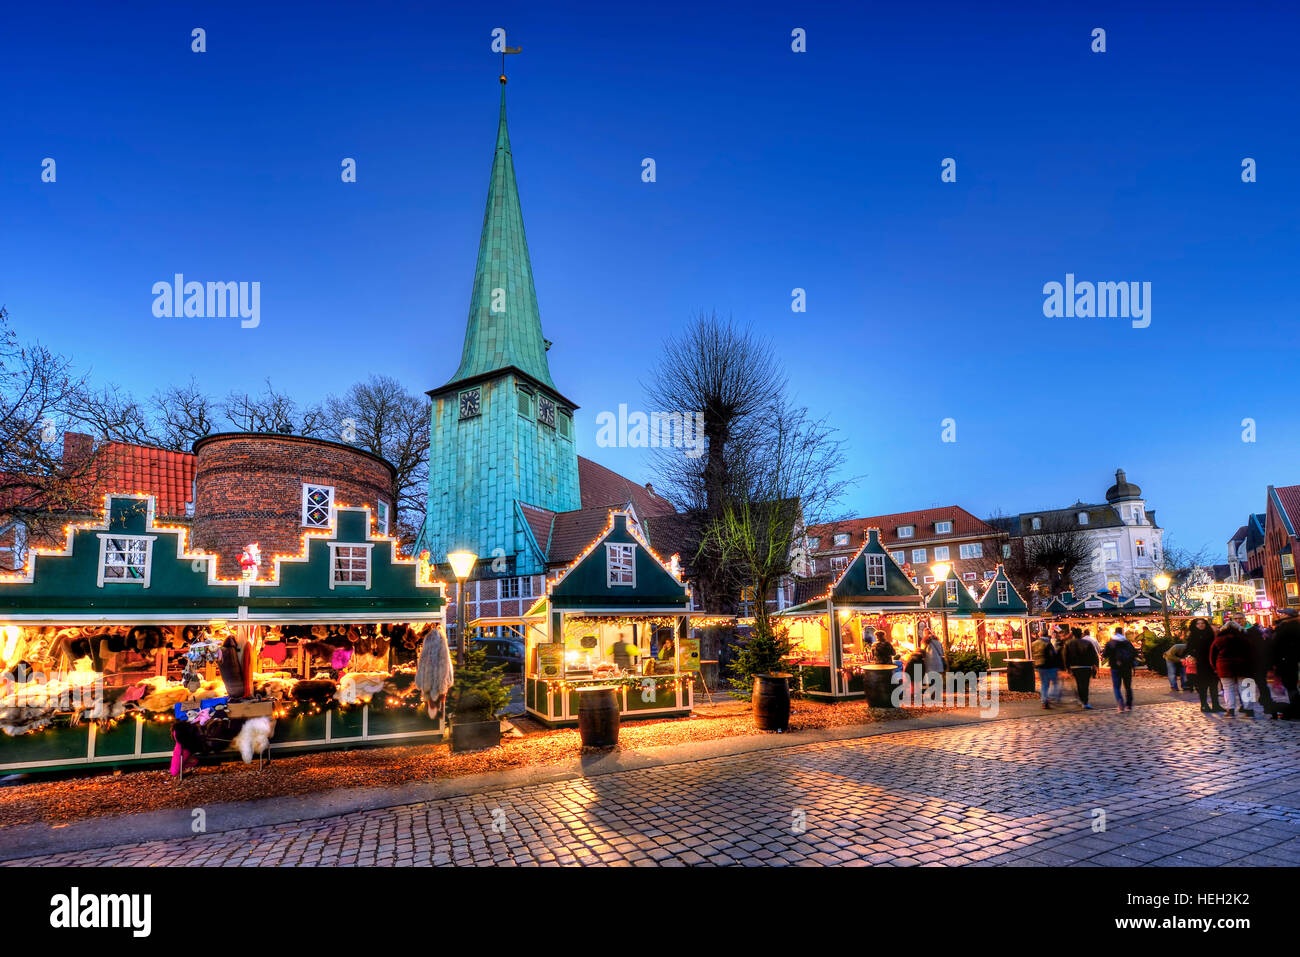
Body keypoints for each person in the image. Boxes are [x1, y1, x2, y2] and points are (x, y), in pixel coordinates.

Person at [1210, 619, 1255, 718]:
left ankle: (1230, 710)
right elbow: (1251, 653)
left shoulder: (1219, 639)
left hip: (1224, 667)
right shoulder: (1244, 638)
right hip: (1243, 666)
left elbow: (1212, 655)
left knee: (1227, 689)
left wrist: (1215, 667)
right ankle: (1249, 711)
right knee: (1245, 688)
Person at [1184, 617, 1222, 713]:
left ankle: (1216, 705)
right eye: (1198, 623)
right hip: (1200, 664)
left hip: (1211, 663)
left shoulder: (1210, 635)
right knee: (1203, 686)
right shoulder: (1192, 636)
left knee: (1214, 685)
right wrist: (1193, 656)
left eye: (1202, 623)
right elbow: (1189, 650)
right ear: (1194, 625)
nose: (1201, 625)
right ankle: (1204, 705)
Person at [1242, 615, 1276, 718]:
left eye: (1240, 618)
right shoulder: (1237, 631)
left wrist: (1267, 664)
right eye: (1236, 619)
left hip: (1257, 663)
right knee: (1248, 686)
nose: (1238, 621)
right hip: (1245, 663)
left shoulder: (1254, 631)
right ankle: (1248, 709)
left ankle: (1267, 705)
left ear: (1244, 619)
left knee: (1261, 685)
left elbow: (1263, 648)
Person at [1101, 626, 1138, 712]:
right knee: (1128, 686)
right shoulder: (1127, 642)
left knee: (1117, 687)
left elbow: (1105, 654)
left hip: (1115, 667)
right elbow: (1134, 653)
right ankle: (1129, 705)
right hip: (1127, 667)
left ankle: (1120, 703)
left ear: (1115, 632)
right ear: (1122, 632)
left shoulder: (1110, 643)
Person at [1272, 609, 1300, 720]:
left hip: (1288, 662)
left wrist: (1274, 664)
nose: (1280, 615)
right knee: (1293, 686)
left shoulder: (1285, 629)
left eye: (1282, 613)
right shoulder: (1294, 626)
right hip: (1292, 661)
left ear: (1287, 616)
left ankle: (1295, 710)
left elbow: (1276, 646)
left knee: (1291, 687)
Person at [1062, 626, 1100, 709]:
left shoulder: (1069, 643)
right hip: (1086, 666)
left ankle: (1081, 700)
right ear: (1081, 634)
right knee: (1085, 684)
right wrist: (1095, 665)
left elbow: (1066, 656)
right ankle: (1085, 701)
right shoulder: (1087, 643)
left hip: (1075, 667)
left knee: (1079, 684)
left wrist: (1067, 668)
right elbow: (1093, 655)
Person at [1031, 628, 1064, 709]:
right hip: (1049, 666)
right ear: (1047, 635)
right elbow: (1052, 654)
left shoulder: (1034, 643)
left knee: (1044, 684)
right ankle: (1049, 697)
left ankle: (1044, 701)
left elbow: (1034, 654)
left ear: (1040, 635)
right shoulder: (1047, 643)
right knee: (1055, 683)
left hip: (1039, 666)